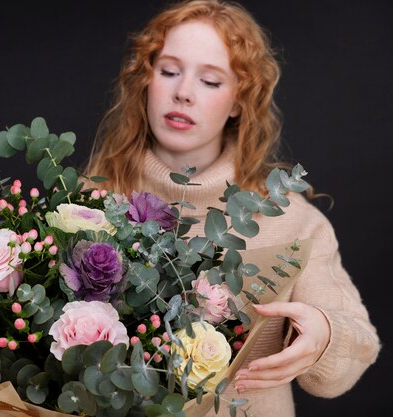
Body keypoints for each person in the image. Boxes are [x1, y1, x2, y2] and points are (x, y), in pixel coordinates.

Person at [85, 1, 380, 416]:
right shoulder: (84, 204)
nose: (183, 92)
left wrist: (323, 335)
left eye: (209, 80)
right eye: (168, 71)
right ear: (144, 82)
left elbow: (352, 353)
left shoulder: (293, 223)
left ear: (240, 101)